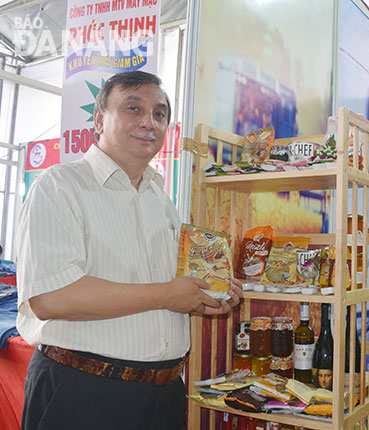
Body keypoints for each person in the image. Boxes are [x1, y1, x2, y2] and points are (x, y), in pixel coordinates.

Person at [16, 71, 243, 430]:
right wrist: (169, 294)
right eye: (133, 108)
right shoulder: (59, 186)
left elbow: (168, 288)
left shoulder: (160, 199)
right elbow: (51, 297)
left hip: (164, 396)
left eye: (159, 113)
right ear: (100, 118)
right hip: (82, 394)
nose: (148, 122)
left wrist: (206, 296)